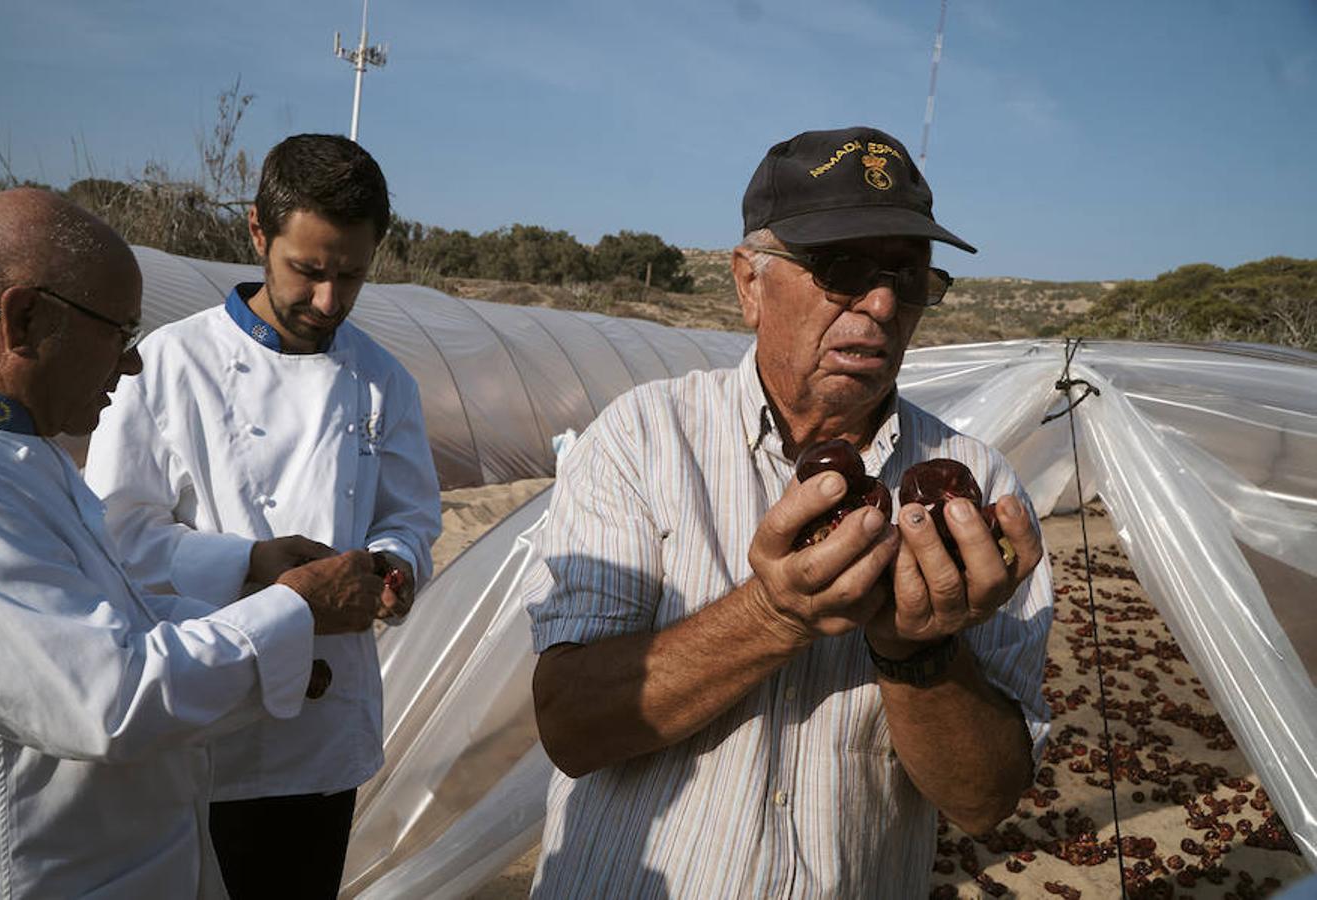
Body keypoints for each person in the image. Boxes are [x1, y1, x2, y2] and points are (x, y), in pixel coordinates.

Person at [523, 127, 1055, 897]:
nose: (879, 304)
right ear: (748, 283)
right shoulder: (643, 438)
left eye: (907, 277)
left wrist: (919, 654)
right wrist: (774, 614)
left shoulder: (975, 486)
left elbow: (984, 801)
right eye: (842, 269)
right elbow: (571, 727)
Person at [0, 187, 388, 898]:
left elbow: (114, 616)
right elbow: (112, 691)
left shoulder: (26, 458)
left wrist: (283, 642)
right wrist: (289, 609)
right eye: (116, 332)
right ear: (25, 319)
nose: (128, 364)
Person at [85, 133, 442, 898]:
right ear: (257, 232)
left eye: (351, 276)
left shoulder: (384, 381)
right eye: (308, 271)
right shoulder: (166, 367)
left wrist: (395, 565)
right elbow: (117, 537)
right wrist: (249, 564)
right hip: (203, 727)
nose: (328, 301)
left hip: (324, 735)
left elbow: (411, 516)